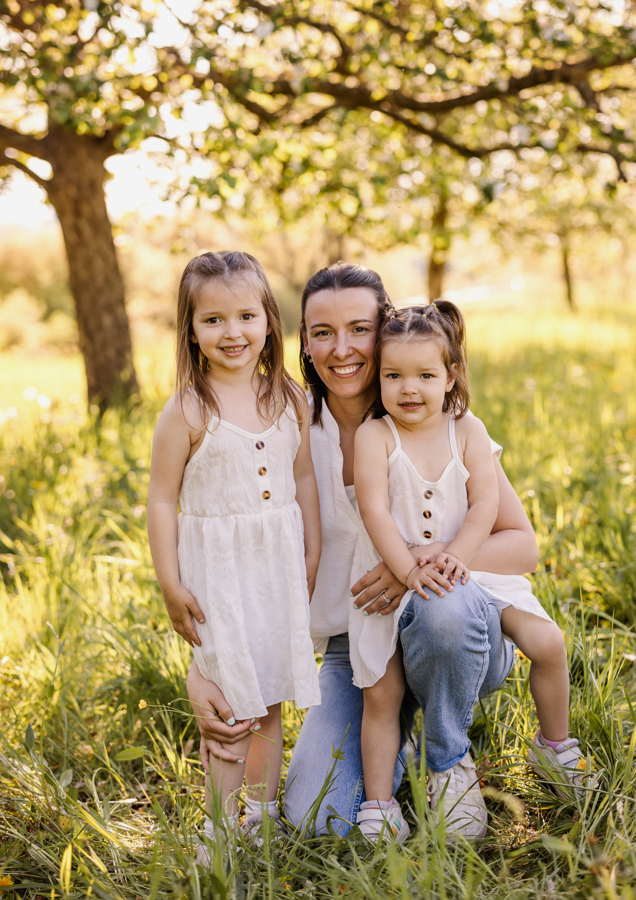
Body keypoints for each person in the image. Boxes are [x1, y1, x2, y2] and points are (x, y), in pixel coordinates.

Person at [185, 263, 540, 841]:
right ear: (303, 340)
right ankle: (395, 749)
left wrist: (416, 564)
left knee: (441, 609)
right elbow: (232, 549)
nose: (342, 349)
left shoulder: (436, 415)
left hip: (455, 628)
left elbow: (522, 546)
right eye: (322, 332)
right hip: (357, 651)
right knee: (317, 816)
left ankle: (448, 763)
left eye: (360, 328)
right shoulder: (283, 427)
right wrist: (204, 666)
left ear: (389, 329)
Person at [350, 302, 583, 842]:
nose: (410, 389)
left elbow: (484, 507)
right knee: (380, 694)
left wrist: (455, 554)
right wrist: (409, 570)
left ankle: (555, 748)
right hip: (405, 583)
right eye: (394, 376)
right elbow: (375, 511)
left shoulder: (468, 429)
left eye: (426, 375)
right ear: (378, 377)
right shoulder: (376, 436)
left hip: (470, 573)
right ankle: (381, 805)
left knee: (548, 642)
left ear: (451, 375)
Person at [147, 251, 321, 854]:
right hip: (217, 578)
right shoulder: (188, 410)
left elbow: (303, 484)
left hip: (276, 571)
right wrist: (170, 582)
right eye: (213, 320)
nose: (233, 333)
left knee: (269, 695)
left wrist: (311, 554)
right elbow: (162, 501)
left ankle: (262, 813)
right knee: (228, 698)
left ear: (270, 320)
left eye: (246, 316)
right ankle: (218, 831)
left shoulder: (290, 400)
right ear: (190, 330)